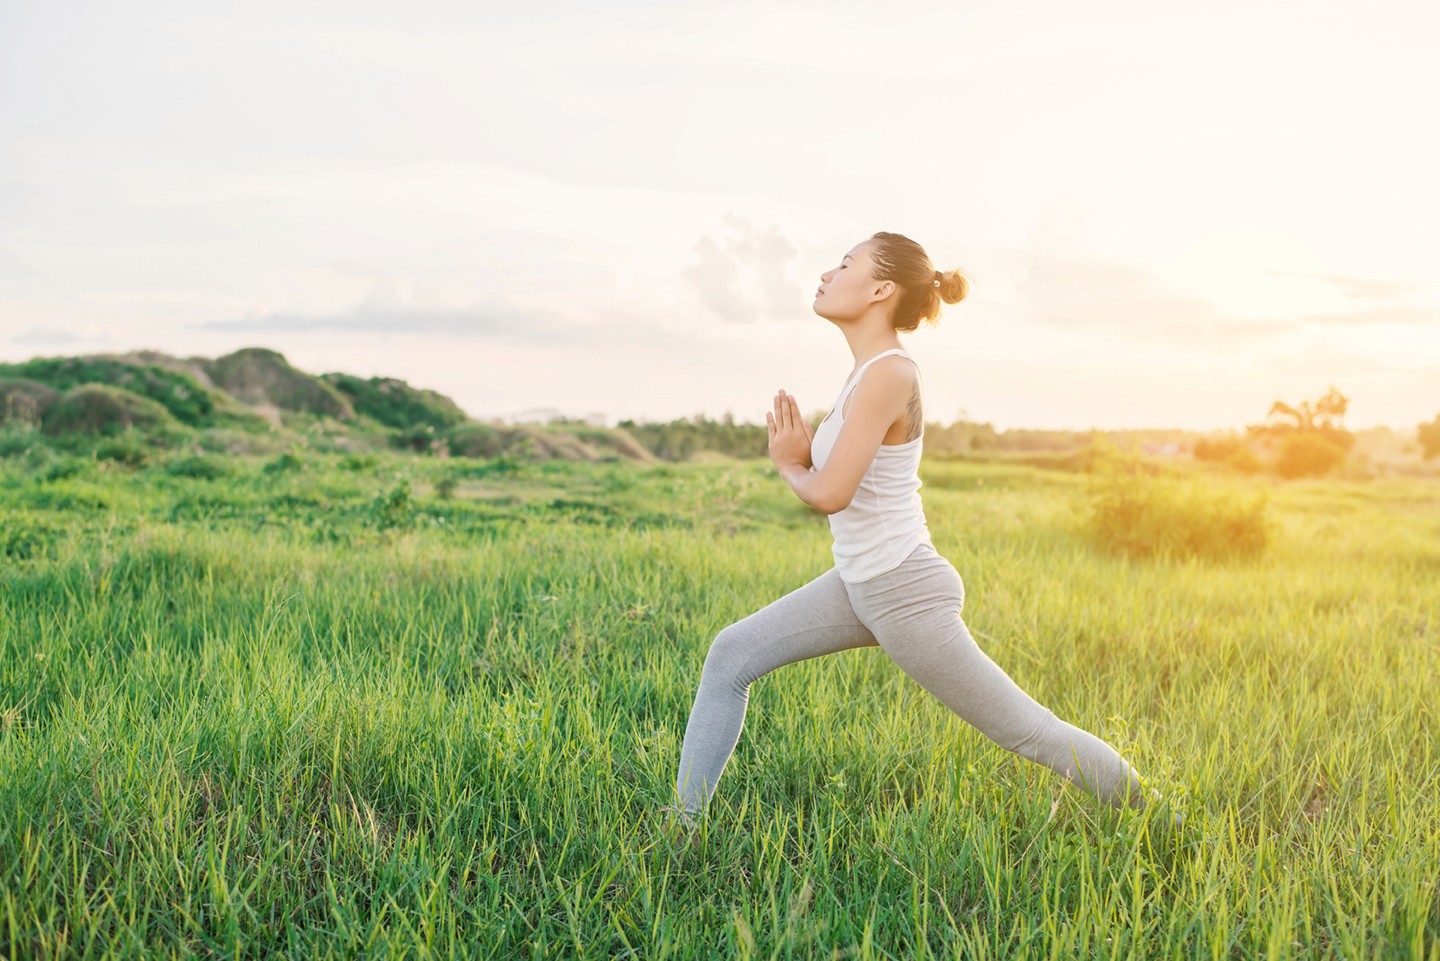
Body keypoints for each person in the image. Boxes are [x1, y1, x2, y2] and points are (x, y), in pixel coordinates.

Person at [664, 231, 1158, 831]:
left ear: (881, 288)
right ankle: (683, 831)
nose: (826, 272)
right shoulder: (865, 372)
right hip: (859, 584)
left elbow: (830, 494)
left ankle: (1168, 820)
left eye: (844, 263)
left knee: (1028, 732)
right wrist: (800, 459)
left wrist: (791, 463)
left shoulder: (890, 374)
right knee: (731, 654)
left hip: (903, 591)